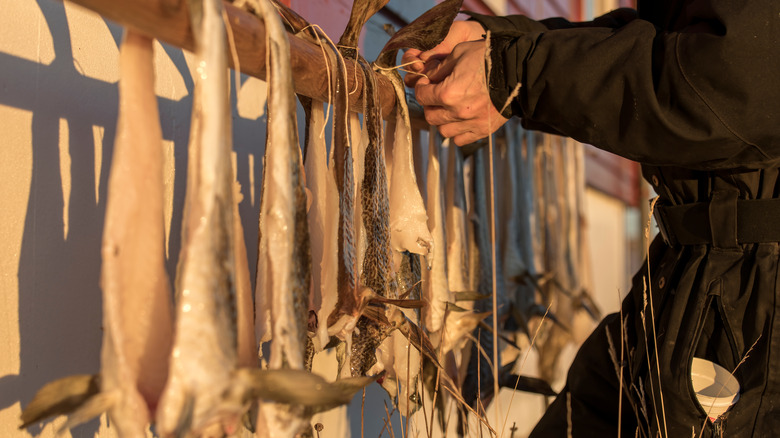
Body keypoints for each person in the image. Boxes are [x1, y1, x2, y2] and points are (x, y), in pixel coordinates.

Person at [402, 2, 779, 437]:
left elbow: (728, 79)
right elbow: (658, 36)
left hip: (753, 297)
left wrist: (514, 69)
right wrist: (501, 41)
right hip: (685, 274)